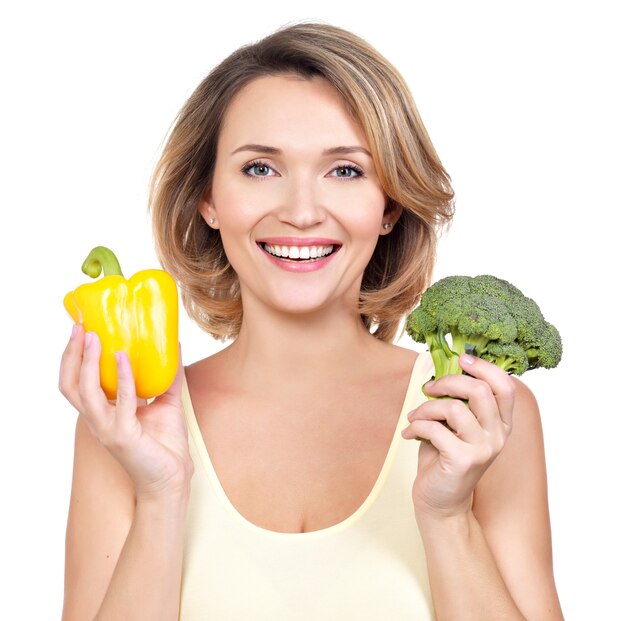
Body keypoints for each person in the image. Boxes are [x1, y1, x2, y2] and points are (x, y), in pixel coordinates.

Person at [59, 21, 564, 620]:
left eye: (345, 170)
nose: (301, 212)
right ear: (209, 200)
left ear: (389, 206)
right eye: (260, 169)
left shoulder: (478, 413)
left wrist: (449, 517)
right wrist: (159, 495)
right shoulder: (125, 422)